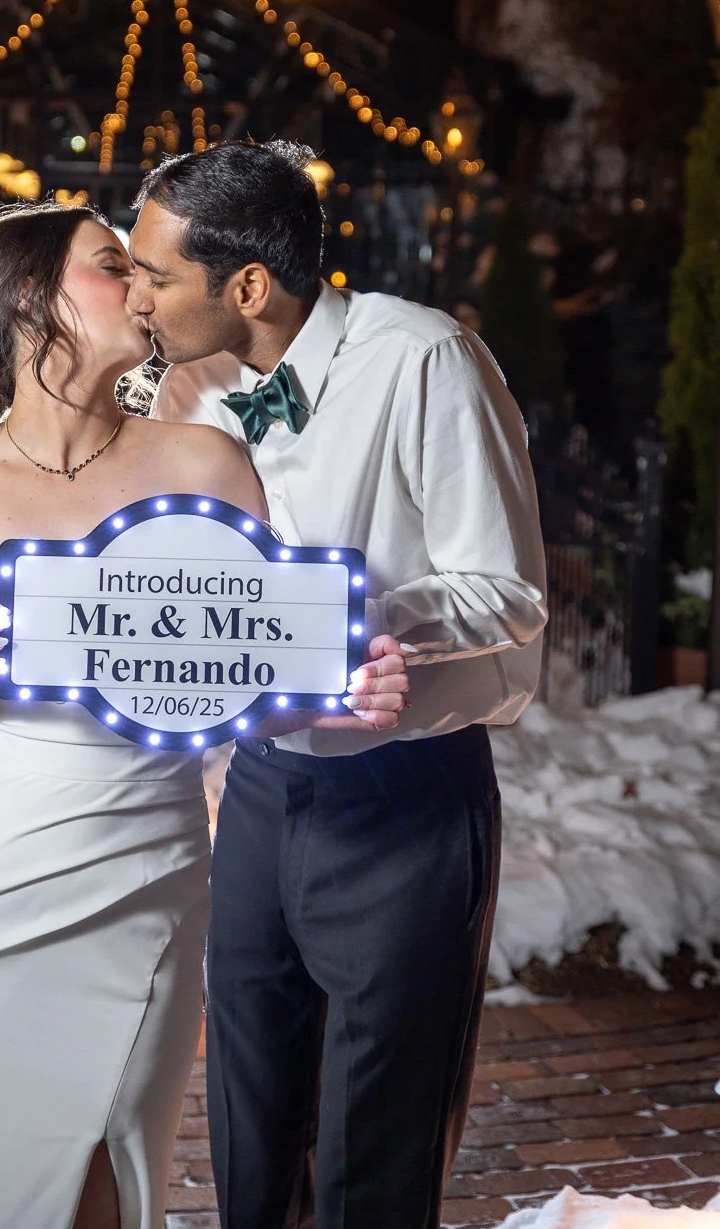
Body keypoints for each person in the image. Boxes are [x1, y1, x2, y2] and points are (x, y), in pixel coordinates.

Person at [0, 201, 317, 1229]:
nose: (143, 287)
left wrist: (344, 680)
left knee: (93, 1174)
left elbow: (263, 660)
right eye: (112, 266)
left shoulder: (205, 466)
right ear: (35, 301)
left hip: (136, 876)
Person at [124, 140, 550, 1229]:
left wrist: (349, 624)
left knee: (379, 1119)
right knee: (250, 1099)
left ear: (247, 286)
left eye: (156, 275)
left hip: (405, 791)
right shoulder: (188, 386)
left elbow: (505, 589)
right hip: (262, 787)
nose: (139, 297)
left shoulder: (423, 358)